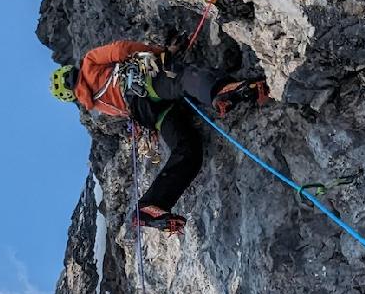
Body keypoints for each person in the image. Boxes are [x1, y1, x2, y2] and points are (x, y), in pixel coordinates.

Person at [51, 37, 266, 233]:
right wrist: (161, 51)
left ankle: (151, 204)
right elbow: (121, 49)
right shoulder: (89, 62)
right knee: (181, 78)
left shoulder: (97, 104)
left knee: (187, 149)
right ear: (72, 70)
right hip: (145, 84)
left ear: (73, 97)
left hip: (150, 113)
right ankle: (222, 90)